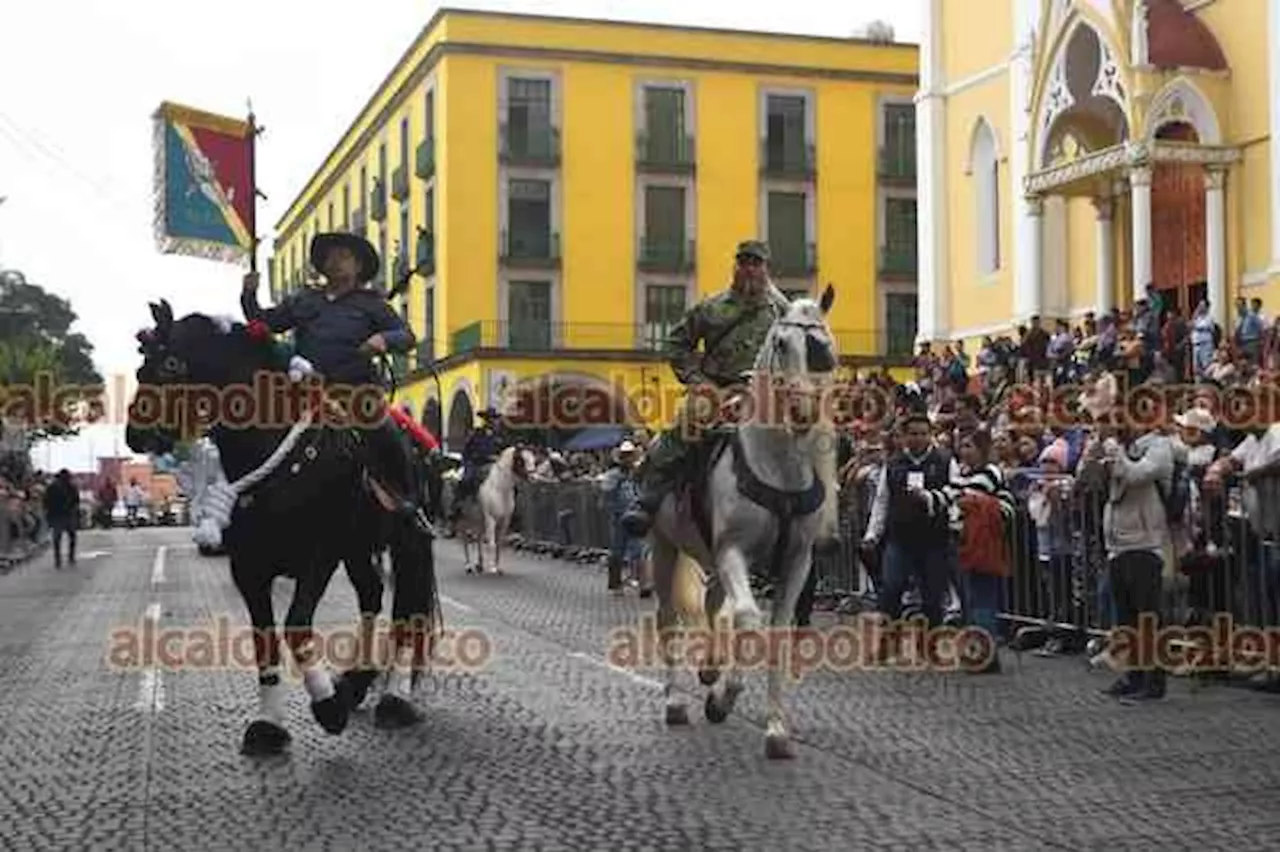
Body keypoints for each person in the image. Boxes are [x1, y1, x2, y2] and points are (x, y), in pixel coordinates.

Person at [241, 231, 423, 520]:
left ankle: (407, 501)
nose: (335, 261)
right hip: (303, 393)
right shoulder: (303, 300)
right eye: (330, 256)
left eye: (344, 256)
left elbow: (407, 336)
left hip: (355, 394)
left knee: (388, 434)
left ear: (359, 266)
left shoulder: (372, 304)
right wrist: (249, 295)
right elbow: (266, 323)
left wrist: (384, 340)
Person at [620, 240, 792, 537]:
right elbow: (676, 344)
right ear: (736, 267)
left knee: (808, 427)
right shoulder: (711, 308)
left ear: (765, 268)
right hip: (717, 389)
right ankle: (650, 496)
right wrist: (698, 381)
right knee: (688, 420)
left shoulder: (781, 311)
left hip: (764, 393)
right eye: (744, 262)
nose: (750, 269)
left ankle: (816, 511)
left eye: (756, 263)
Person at [449, 408, 503, 520]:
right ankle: (456, 510)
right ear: (487, 420)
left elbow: (503, 451)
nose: (494, 422)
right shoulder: (477, 434)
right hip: (476, 463)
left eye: (495, 419)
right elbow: (467, 451)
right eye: (491, 419)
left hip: (495, 465)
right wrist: (475, 459)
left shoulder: (499, 437)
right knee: (467, 480)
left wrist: (498, 458)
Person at [42, 469, 79, 568]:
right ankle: (69, 557)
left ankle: (59, 559)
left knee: (58, 538)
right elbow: (76, 501)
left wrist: (49, 513)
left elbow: (45, 501)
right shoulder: (71, 487)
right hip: (64, 515)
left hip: (58, 515)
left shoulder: (52, 487)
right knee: (70, 537)